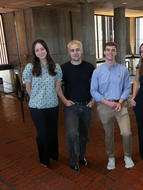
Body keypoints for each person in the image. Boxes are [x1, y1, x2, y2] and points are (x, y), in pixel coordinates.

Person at [91, 42, 134, 170]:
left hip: (121, 105)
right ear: (104, 52)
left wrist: (120, 102)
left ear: (116, 52)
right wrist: (108, 102)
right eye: (108, 50)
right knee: (108, 134)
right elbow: (93, 91)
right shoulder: (97, 72)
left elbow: (127, 88)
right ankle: (111, 158)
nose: (110, 52)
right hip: (105, 106)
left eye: (113, 50)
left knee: (126, 133)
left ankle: (127, 156)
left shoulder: (123, 70)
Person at [23, 39, 64, 167]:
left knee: (52, 132)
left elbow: (58, 86)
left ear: (46, 50)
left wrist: (56, 96)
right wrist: (35, 98)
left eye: (42, 49)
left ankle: (53, 154)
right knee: (42, 133)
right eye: (37, 50)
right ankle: (44, 159)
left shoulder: (56, 67)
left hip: (52, 105)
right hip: (36, 107)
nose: (40, 52)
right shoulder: (30, 67)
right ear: (34, 52)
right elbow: (28, 87)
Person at [61, 40, 95, 172]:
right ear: (69, 52)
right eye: (72, 50)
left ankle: (81, 156)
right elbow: (58, 87)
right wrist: (64, 101)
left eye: (77, 50)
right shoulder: (63, 68)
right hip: (71, 107)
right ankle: (73, 161)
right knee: (72, 134)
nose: (75, 53)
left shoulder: (89, 67)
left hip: (86, 106)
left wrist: (93, 100)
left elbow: (95, 86)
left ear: (81, 51)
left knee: (84, 136)